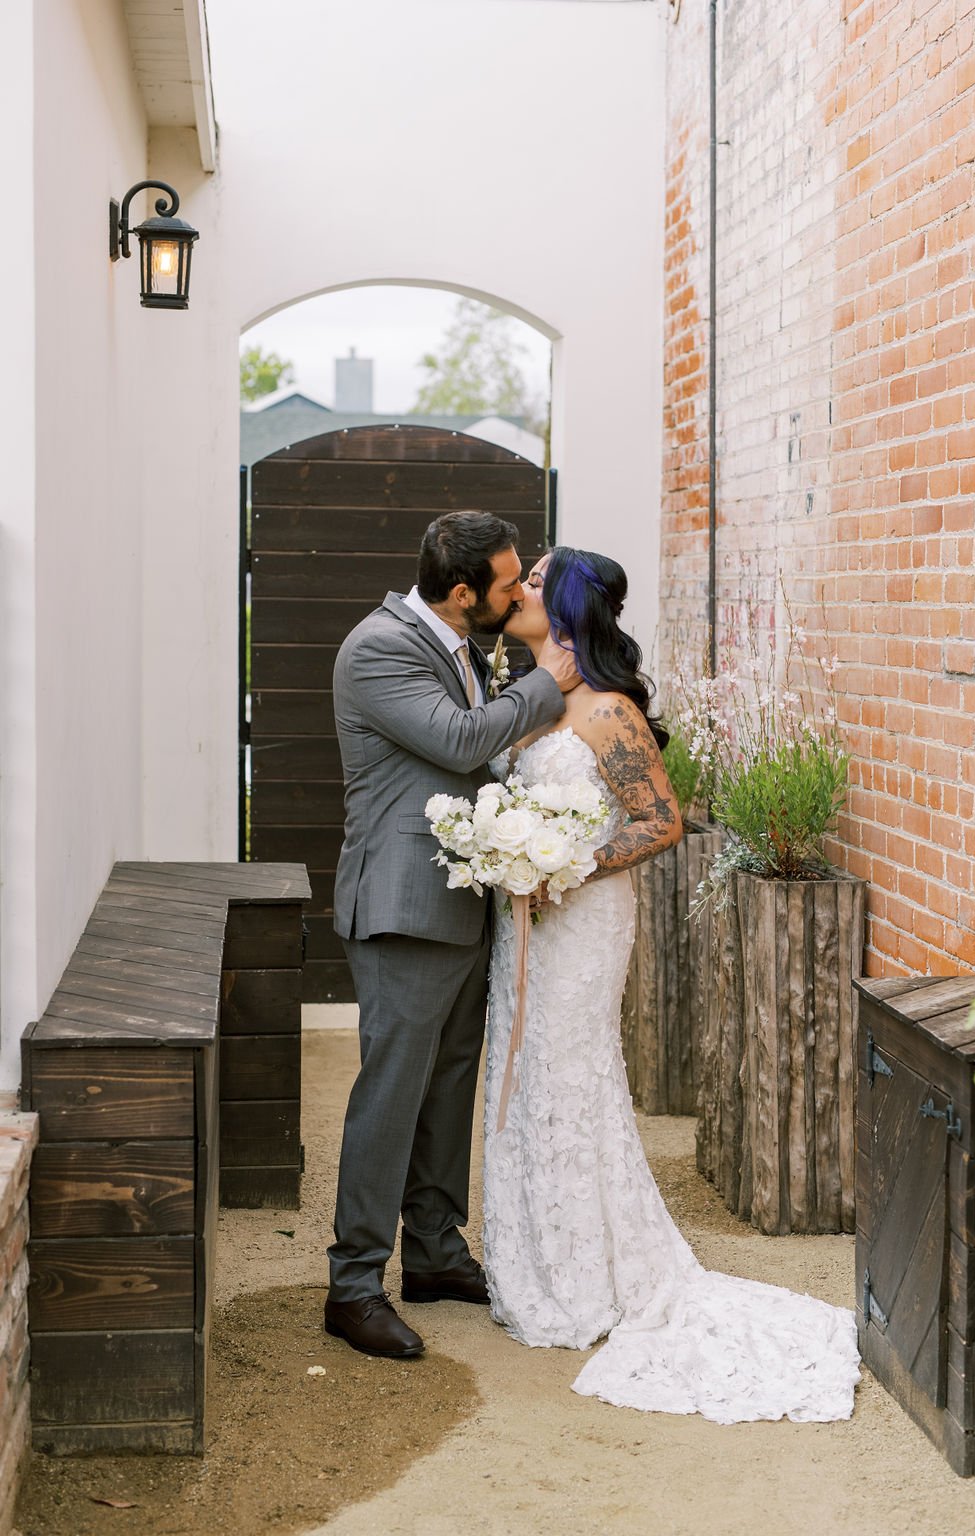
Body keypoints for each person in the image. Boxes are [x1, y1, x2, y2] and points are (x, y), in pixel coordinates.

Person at [483, 545, 861, 1423]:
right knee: (526, 1078)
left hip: (581, 921)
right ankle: (535, 1267)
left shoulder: (609, 712)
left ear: (569, 607)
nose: (522, 590)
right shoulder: (529, 701)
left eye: (537, 582)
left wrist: (568, 862)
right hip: (525, 923)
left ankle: (591, 1279)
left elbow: (661, 821)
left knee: (573, 1079)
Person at [325, 510, 579, 1360]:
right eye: (508, 584)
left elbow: (480, 765)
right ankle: (353, 1284)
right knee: (392, 1095)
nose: (518, 594)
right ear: (463, 591)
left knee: (448, 1089)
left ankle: (433, 1253)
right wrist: (550, 677)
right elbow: (459, 738)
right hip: (401, 907)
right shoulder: (378, 647)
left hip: (463, 901)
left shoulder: (465, 645)